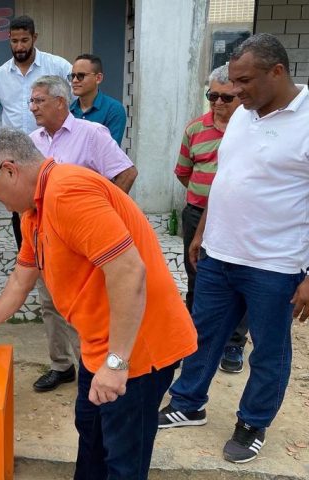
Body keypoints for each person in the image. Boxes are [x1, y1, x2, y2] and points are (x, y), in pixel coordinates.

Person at [0, 127, 196, 480]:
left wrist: (116, 363)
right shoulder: (33, 210)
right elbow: (22, 277)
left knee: (123, 459)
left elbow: (129, 272)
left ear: (10, 170)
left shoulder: (67, 192)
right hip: (99, 345)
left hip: (136, 351)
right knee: (91, 436)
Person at [158, 33, 309, 464]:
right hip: (219, 254)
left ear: (277, 72)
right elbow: (226, 177)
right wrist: (203, 231)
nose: (236, 92)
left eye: (244, 81)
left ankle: (252, 423)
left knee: (269, 350)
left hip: (274, 264)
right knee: (202, 334)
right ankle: (189, 403)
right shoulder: (244, 114)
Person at [26, 75, 137, 393]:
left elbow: (126, 172)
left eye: (39, 100)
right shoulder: (32, 141)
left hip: (83, 244)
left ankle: (93, 366)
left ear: (60, 102)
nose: (33, 107)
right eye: (31, 101)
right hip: (46, 239)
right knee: (50, 304)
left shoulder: (91, 134)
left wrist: (105, 218)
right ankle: (61, 365)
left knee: (84, 306)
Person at [173, 65, 247, 374]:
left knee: (239, 279)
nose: (217, 103)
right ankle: (193, 338)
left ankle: (234, 342)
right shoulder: (195, 129)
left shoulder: (250, 128)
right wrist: (204, 197)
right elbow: (183, 172)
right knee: (197, 275)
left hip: (238, 217)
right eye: (212, 96)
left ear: (240, 96)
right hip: (197, 214)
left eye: (226, 98)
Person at [0, 15, 72, 249]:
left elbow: (78, 100)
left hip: (53, 156)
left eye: (24, 40)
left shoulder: (58, 67)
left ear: (34, 38)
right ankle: (28, 259)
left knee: (54, 210)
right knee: (21, 216)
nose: (19, 46)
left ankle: (54, 259)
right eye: (14, 41)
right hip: (16, 163)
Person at [69, 54, 127, 146]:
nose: (74, 80)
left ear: (98, 78)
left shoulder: (113, 109)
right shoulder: (68, 111)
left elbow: (109, 150)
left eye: (81, 76)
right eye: (72, 76)